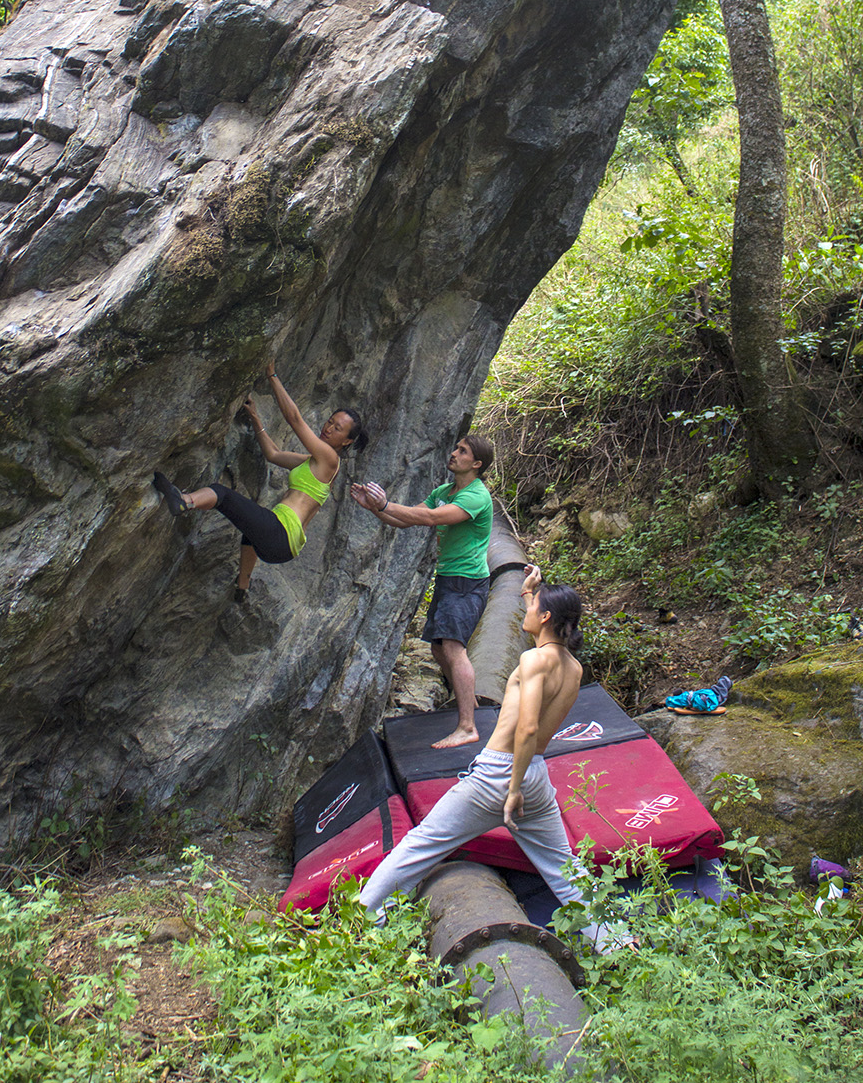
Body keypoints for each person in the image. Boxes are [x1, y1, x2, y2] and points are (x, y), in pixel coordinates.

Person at [358, 574, 626, 951]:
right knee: (565, 868)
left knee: (424, 842)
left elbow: (527, 727)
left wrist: (513, 789)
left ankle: (363, 915)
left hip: (502, 774)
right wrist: (530, 590)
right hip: (537, 776)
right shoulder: (572, 667)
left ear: (546, 617)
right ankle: (617, 941)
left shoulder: (533, 660)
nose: (526, 609)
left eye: (532, 606)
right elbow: (545, 632)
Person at [154, 362, 367, 601]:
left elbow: (294, 419)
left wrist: (272, 375)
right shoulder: (312, 462)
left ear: (347, 441)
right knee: (251, 531)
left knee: (220, 493)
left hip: (280, 533)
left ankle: (185, 501)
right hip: (282, 547)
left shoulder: (330, 459)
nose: (328, 428)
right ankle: (242, 587)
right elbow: (273, 454)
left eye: (337, 428)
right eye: (330, 421)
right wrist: (255, 418)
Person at [351, 434, 496, 750]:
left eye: (462, 451)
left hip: (468, 582)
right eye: (456, 448)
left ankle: (468, 727)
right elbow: (406, 520)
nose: (454, 453)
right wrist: (375, 508)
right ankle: (468, 705)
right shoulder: (444, 492)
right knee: (438, 650)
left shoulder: (476, 496)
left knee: (454, 649)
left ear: (477, 464)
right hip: (448, 579)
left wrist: (385, 503)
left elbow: (430, 518)